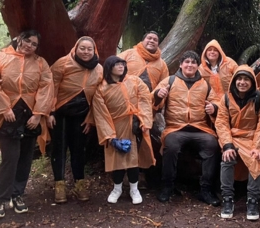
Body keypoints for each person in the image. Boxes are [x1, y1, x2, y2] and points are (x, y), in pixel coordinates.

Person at [0, 30, 54, 219]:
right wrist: (4, 108)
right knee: (10, 157)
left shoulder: (40, 62)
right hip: (8, 115)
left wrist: (39, 114)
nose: (29, 46)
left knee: (25, 157)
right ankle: (1, 198)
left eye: (34, 44)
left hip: (30, 114)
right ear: (19, 39)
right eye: (27, 41)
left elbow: (46, 87)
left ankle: (17, 194)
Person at [153, 50, 221, 206]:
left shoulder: (205, 84)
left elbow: (216, 101)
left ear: (198, 66)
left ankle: (206, 190)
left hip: (200, 128)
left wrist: (214, 107)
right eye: (187, 62)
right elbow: (153, 98)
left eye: (193, 62)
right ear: (181, 64)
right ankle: (167, 187)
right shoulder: (170, 80)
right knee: (171, 146)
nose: (190, 65)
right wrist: (158, 94)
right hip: (176, 128)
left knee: (212, 144)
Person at [91, 56, 155, 204]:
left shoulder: (134, 81)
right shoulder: (102, 88)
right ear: (109, 67)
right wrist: (110, 137)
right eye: (117, 64)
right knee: (117, 160)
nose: (121, 67)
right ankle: (117, 188)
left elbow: (145, 98)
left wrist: (144, 120)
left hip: (134, 125)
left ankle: (134, 188)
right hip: (115, 127)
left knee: (133, 160)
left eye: (122, 64)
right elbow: (101, 114)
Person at [48, 37, 103, 203]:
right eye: (82, 48)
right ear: (76, 48)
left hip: (82, 116)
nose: (86, 52)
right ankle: (60, 185)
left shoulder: (99, 69)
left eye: (89, 49)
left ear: (94, 51)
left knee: (79, 150)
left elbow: (99, 95)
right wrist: (49, 112)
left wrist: (91, 117)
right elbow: (50, 87)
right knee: (59, 149)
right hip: (60, 115)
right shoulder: (63, 63)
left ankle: (80, 183)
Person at [215, 66, 260, 221]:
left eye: (246, 79)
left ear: (252, 81)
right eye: (239, 79)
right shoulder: (226, 98)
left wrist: (259, 147)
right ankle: (227, 199)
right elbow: (221, 123)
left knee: (256, 160)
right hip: (232, 138)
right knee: (227, 158)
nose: (242, 82)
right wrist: (227, 144)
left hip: (251, 139)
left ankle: (253, 200)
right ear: (234, 81)